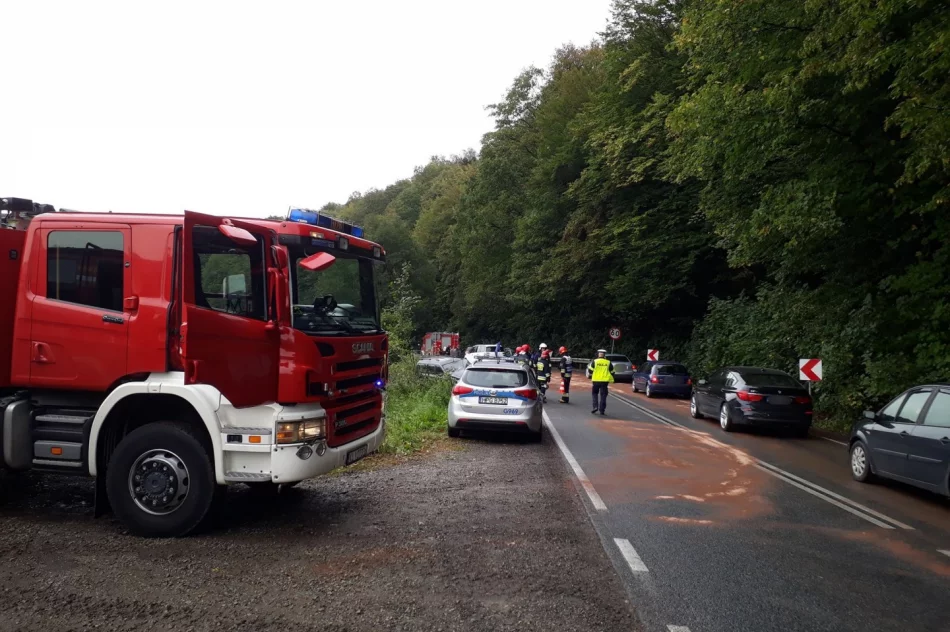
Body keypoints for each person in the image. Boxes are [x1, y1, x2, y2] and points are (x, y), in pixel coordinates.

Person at [586, 348, 615, 415]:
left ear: (598, 354)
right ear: (604, 355)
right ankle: (602, 410)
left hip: (596, 380)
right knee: (603, 395)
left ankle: (595, 407)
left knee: (595, 394)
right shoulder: (608, 362)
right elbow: (613, 372)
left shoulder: (595, 361)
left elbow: (590, 370)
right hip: (604, 381)